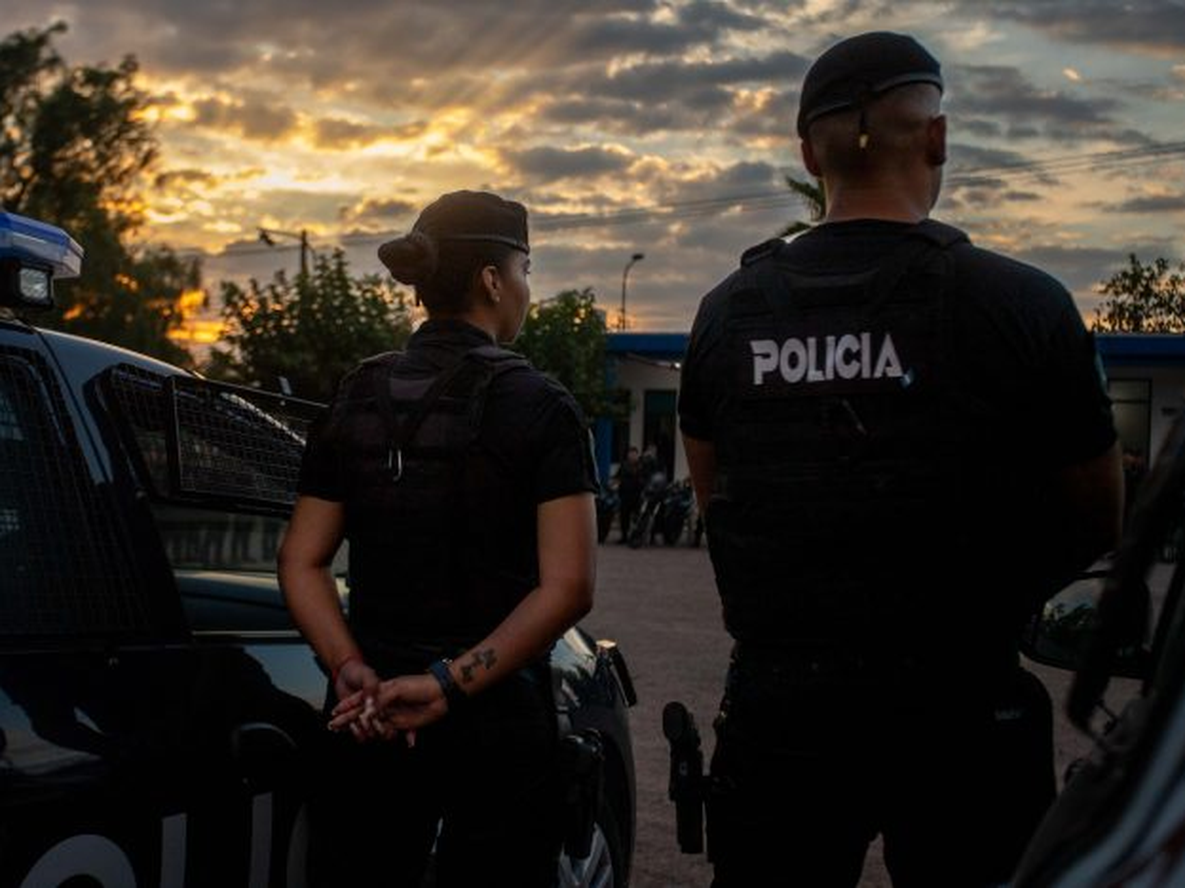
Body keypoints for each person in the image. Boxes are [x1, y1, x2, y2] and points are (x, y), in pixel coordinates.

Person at [678, 32, 1123, 888]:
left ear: (807, 155)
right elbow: (1096, 519)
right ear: (938, 137)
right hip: (963, 709)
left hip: (783, 713)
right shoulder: (1020, 303)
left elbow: (716, 497)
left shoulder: (726, 315)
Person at [277, 190, 598, 887]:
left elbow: (301, 560)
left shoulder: (356, 394)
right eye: (525, 270)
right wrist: (448, 683)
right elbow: (569, 587)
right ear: (491, 280)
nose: (525, 288)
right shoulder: (542, 407)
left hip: (368, 717)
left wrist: (347, 668)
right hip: (497, 729)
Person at [615, 445, 644, 542]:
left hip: (637, 495)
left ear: (637, 455)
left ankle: (636, 537)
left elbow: (645, 478)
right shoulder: (624, 465)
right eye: (631, 453)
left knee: (637, 517)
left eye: (634, 454)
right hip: (625, 495)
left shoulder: (641, 466)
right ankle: (624, 536)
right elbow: (617, 477)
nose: (632, 456)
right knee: (624, 517)